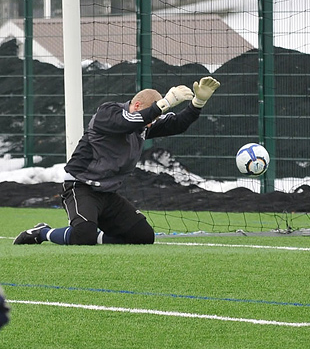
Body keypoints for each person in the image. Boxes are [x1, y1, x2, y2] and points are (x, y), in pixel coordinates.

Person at [14, 76, 220, 246]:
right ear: (137, 105)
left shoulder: (143, 124)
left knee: (143, 236)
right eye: (151, 116)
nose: (151, 123)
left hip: (108, 194)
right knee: (83, 235)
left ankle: (95, 237)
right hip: (80, 187)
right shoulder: (108, 113)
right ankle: (42, 233)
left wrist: (197, 104)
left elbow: (176, 124)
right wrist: (164, 103)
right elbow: (127, 123)